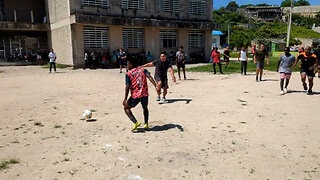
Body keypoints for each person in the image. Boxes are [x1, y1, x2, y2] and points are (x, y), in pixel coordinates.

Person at [123, 58, 157, 132]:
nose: (127, 65)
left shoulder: (129, 73)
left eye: (128, 64)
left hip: (136, 95)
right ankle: (146, 124)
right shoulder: (143, 70)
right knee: (145, 108)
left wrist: (125, 98)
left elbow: (127, 86)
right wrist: (156, 86)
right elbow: (150, 77)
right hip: (145, 94)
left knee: (126, 108)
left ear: (131, 64)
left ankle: (136, 122)